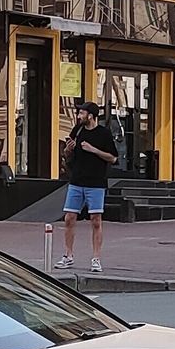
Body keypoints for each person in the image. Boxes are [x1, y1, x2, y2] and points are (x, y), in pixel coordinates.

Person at [59, 100, 120, 272]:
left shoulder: (103, 134)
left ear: (90, 116)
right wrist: (68, 150)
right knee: (69, 217)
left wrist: (94, 150)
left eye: (81, 113)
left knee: (96, 220)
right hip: (77, 181)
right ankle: (68, 255)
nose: (79, 116)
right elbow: (67, 153)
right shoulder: (77, 131)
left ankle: (96, 258)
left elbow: (113, 158)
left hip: (96, 183)